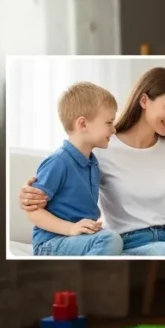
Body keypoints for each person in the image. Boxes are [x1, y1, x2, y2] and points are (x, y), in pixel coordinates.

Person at [18, 67, 165, 256]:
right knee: (160, 251)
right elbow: (67, 168)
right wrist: (30, 193)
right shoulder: (102, 146)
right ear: (144, 101)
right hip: (130, 241)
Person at [28, 82, 122, 256]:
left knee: (156, 249)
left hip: (80, 240)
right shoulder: (58, 162)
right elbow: (33, 211)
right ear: (83, 124)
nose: (114, 129)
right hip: (51, 243)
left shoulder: (93, 164)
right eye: (109, 122)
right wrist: (71, 228)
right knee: (110, 239)